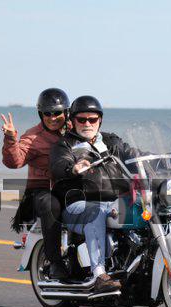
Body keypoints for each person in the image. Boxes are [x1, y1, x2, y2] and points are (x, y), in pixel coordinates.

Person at [50, 96, 142, 293]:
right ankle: (99, 274)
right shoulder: (65, 144)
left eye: (92, 119)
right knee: (95, 212)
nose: (87, 124)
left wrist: (165, 160)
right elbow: (59, 164)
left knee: (147, 208)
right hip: (79, 204)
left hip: (114, 200)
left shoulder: (111, 141)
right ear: (73, 120)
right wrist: (73, 168)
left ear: (100, 120)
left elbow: (134, 154)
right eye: (81, 119)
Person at [1, 88, 70, 280]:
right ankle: (55, 263)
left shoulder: (75, 129)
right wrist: (10, 138)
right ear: (41, 114)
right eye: (47, 113)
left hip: (70, 189)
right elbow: (14, 161)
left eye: (57, 112)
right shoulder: (33, 137)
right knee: (50, 205)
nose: (52, 117)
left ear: (66, 112)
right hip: (42, 191)